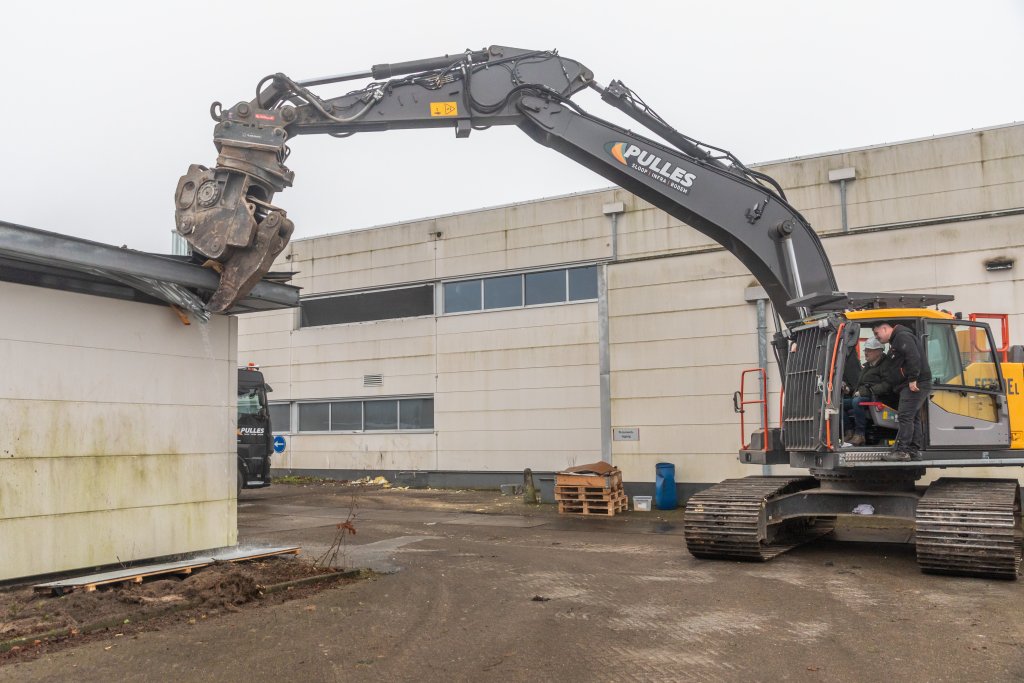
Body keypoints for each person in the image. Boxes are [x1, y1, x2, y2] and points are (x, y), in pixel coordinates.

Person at [872, 321, 933, 461]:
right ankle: (913, 451)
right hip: (913, 383)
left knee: (905, 416)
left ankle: (902, 451)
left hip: (914, 384)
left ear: (885, 328)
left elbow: (913, 357)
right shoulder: (897, 339)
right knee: (913, 417)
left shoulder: (902, 337)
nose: (876, 337)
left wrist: (912, 379)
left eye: (877, 333)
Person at [843, 337, 898, 446]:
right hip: (866, 396)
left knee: (857, 402)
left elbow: (887, 385)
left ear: (879, 351)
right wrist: (848, 390)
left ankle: (860, 434)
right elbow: (860, 386)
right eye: (865, 350)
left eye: (869, 350)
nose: (866, 353)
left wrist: (865, 392)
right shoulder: (867, 366)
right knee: (839, 404)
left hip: (880, 397)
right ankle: (849, 431)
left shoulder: (887, 365)